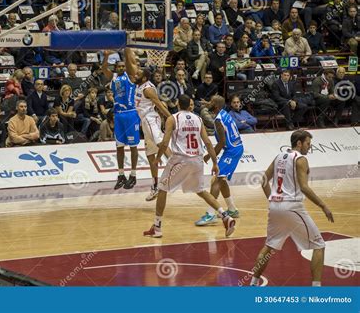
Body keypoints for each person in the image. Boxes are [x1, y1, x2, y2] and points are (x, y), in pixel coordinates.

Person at [143, 95, 236, 238]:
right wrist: (215, 163)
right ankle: (225, 216)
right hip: (197, 160)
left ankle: (157, 227)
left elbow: (165, 142)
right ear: (189, 106)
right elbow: (208, 143)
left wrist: (157, 158)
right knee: (200, 191)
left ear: (179, 104)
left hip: (181, 160)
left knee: (162, 189)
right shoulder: (198, 119)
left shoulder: (172, 118)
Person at [250, 130, 334, 287]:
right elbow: (304, 187)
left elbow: (263, 181)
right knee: (319, 245)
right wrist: (323, 205)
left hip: (275, 207)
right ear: (299, 143)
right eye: (308, 144)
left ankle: (253, 283)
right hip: (292, 206)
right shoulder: (300, 159)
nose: (310, 147)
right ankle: (316, 289)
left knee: (269, 246)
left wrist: (272, 199)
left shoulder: (278, 157)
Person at [195, 95, 244, 226]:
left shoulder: (218, 120)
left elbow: (221, 142)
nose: (208, 103)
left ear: (215, 106)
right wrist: (208, 103)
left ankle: (211, 214)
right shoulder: (223, 113)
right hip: (234, 148)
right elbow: (215, 104)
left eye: (211, 102)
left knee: (216, 180)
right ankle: (232, 209)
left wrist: (209, 155)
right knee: (221, 180)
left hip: (232, 150)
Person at [102, 48, 140, 190]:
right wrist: (106, 56)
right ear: (116, 68)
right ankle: (121, 174)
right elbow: (104, 68)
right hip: (118, 115)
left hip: (131, 114)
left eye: (123, 66)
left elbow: (131, 67)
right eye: (119, 66)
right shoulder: (113, 78)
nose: (122, 68)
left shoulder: (130, 76)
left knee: (133, 146)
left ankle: (133, 175)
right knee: (119, 146)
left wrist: (126, 51)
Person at [135, 67, 172, 201]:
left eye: (138, 74)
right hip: (144, 121)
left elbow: (160, 105)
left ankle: (175, 164)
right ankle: (155, 186)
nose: (135, 75)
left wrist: (171, 118)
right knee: (150, 156)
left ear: (144, 78)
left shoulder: (148, 89)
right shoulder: (139, 85)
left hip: (150, 118)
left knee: (160, 141)